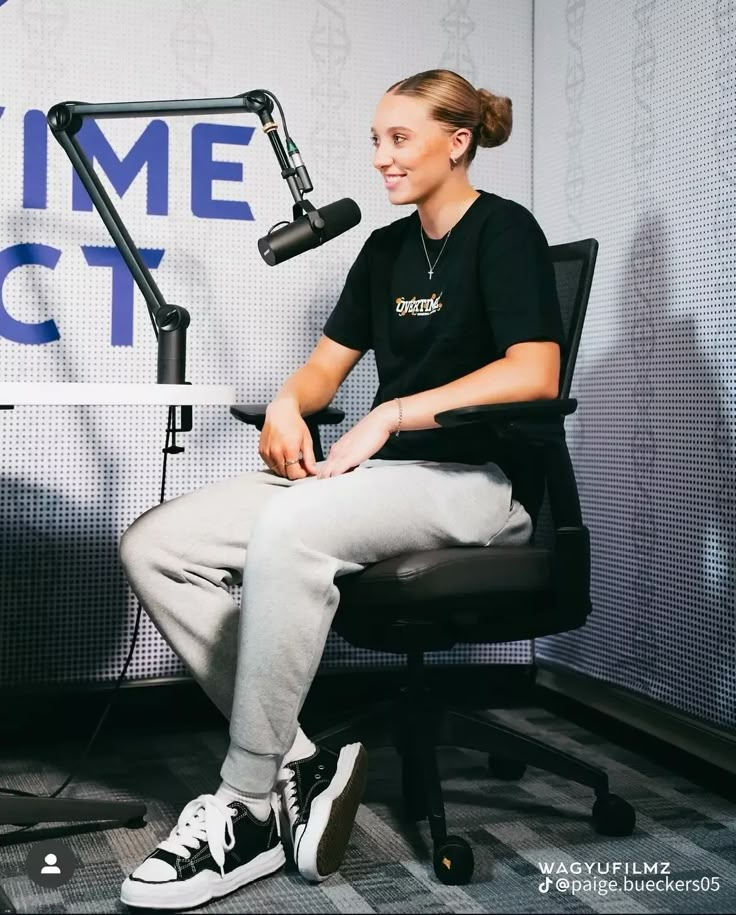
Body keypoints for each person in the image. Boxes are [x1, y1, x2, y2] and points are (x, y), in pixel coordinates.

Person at [118, 68, 563, 910]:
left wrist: (394, 412)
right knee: (157, 543)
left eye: (400, 138)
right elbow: (325, 370)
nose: (382, 157)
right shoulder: (386, 249)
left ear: (457, 141)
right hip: (388, 482)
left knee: (292, 523)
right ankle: (296, 764)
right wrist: (290, 403)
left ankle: (247, 807)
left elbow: (535, 371)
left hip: (480, 483)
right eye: (375, 140)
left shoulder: (505, 232)